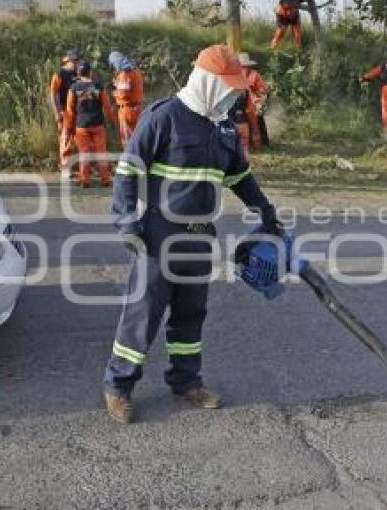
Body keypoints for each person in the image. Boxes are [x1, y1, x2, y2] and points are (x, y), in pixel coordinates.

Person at [104, 44, 283, 423]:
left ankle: (186, 382)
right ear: (206, 81)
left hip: (201, 237)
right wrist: (125, 222)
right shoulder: (164, 116)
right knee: (143, 314)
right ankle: (118, 386)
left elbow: (239, 177)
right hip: (159, 235)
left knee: (191, 315)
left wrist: (267, 214)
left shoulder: (224, 128)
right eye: (227, 85)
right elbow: (127, 171)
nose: (233, 93)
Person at [62, 61, 116, 188]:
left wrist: (69, 127)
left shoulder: (74, 88)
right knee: (101, 152)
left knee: (84, 153)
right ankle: (105, 179)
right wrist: (112, 121)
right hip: (98, 125)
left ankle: (85, 180)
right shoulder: (98, 86)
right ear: (90, 72)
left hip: (81, 126)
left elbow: (70, 110)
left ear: (79, 73)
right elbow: (107, 107)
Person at [50, 50, 80, 175]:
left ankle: (81, 167)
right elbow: (53, 94)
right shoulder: (59, 74)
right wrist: (57, 112)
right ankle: (65, 166)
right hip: (64, 111)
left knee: (79, 139)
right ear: (67, 60)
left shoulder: (77, 73)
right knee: (65, 138)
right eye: (74, 61)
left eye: (77, 60)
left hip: (78, 110)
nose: (76, 63)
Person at [107, 51, 145, 149]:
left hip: (127, 110)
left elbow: (123, 94)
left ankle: (129, 161)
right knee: (138, 137)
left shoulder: (125, 74)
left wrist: (114, 93)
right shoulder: (135, 70)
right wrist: (117, 83)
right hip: (137, 108)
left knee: (127, 138)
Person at [239, 52, 271, 147]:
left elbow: (262, 90)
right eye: (242, 66)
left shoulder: (254, 75)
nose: (244, 68)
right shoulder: (235, 75)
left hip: (252, 105)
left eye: (246, 66)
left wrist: (261, 102)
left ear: (249, 66)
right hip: (240, 103)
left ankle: (258, 145)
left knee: (255, 125)